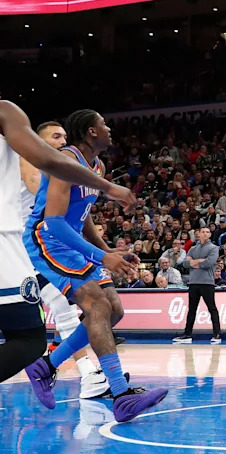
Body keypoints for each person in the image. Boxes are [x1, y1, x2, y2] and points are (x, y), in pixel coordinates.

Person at [21, 109, 164, 422]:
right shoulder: (65, 162)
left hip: (71, 240)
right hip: (47, 239)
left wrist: (107, 249)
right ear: (90, 132)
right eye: (103, 124)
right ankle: (120, 395)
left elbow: (81, 218)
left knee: (114, 309)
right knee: (97, 304)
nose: (109, 128)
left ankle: (45, 367)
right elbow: (54, 223)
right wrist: (103, 258)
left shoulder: (96, 166)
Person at [19, 121, 108, 399]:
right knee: (63, 305)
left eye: (65, 137)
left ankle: (77, 367)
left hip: (50, 246)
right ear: (40, 142)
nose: (63, 142)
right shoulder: (31, 160)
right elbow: (37, 188)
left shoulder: (64, 165)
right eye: (56, 137)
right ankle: (85, 371)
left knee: (85, 306)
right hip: (23, 244)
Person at [172, 225, 222, 344]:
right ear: (198, 233)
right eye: (203, 231)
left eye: (207, 232)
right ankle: (187, 334)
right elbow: (184, 263)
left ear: (210, 234)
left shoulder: (214, 248)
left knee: (212, 308)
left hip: (207, 282)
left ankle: (217, 334)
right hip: (193, 282)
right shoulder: (193, 248)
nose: (205, 233)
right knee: (192, 309)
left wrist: (193, 262)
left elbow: (209, 263)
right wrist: (199, 261)